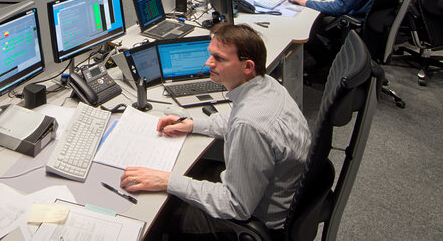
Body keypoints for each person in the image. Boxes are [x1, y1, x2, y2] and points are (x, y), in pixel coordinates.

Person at [119, 23, 310, 237]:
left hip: (257, 219)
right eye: (211, 54)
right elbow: (234, 118)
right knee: (189, 174)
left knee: (160, 213)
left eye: (219, 58)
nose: (208, 63)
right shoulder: (267, 84)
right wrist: (192, 124)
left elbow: (236, 205)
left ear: (247, 66)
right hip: (273, 192)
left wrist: (167, 181)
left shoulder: (249, 125)